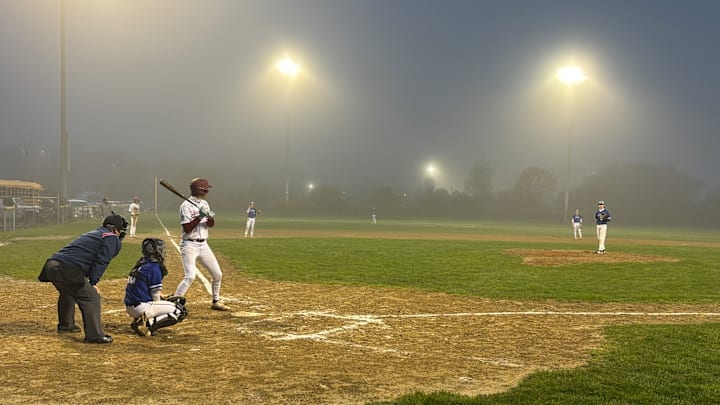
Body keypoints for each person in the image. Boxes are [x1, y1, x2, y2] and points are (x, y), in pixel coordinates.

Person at [38, 213, 128, 344]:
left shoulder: (94, 233)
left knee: (68, 292)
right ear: (115, 230)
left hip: (51, 265)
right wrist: (94, 282)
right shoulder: (111, 238)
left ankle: (66, 325)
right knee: (91, 296)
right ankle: (95, 335)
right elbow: (102, 260)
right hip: (66, 268)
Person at [173, 178, 232, 311]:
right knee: (190, 276)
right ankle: (175, 301)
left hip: (203, 245)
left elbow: (210, 225)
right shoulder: (185, 206)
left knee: (218, 274)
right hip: (189, 245)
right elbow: (187, 228)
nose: (207, 191)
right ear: (201, 190)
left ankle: (216, 301)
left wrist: (210, 217)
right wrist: (199, 217)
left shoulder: (204, 203)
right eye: (206, 188)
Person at [124, 238, 188, 337]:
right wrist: (161, 304)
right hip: (141, 307)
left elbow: (144, 287)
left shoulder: (141, 263)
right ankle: (146, 325)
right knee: (179, 310)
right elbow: (154, 294)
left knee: (165, 302)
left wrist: (163, 297)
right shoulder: (153, 267)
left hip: (130, 307)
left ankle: (140, 319)